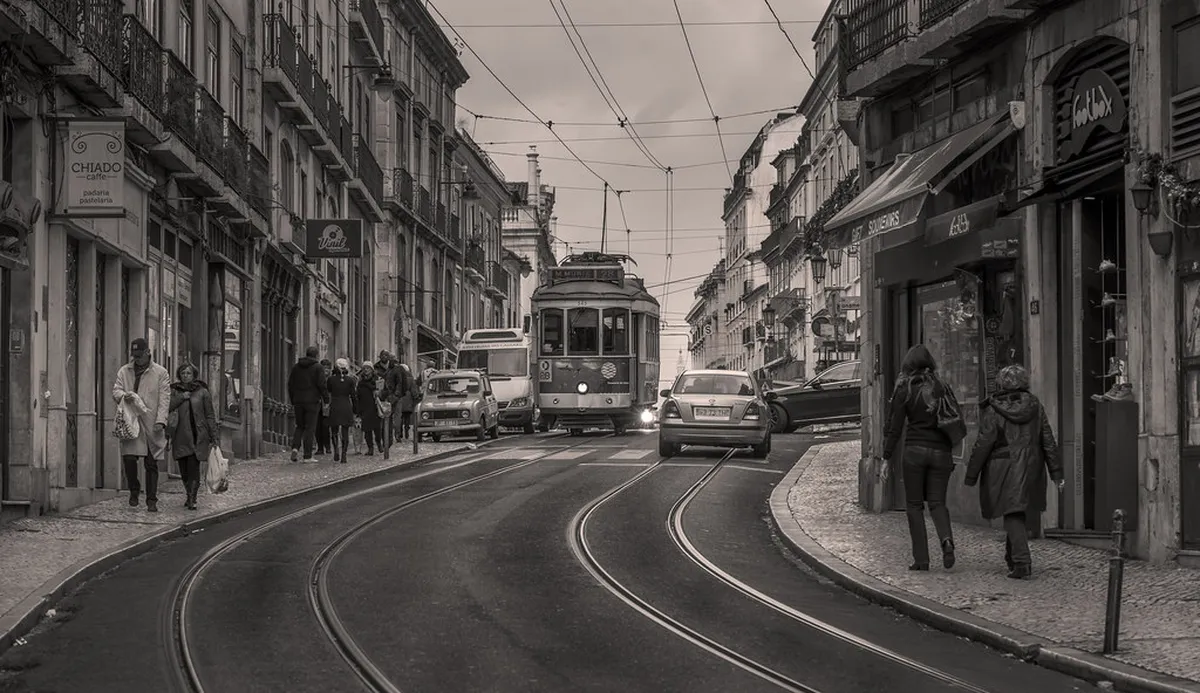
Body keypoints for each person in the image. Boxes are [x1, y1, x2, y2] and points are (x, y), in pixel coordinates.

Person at [965, 364, 1064, 580]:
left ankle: (1022, 562)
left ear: (1001, 383)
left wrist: (971, 474)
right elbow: (1047, 439)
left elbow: (983, 443)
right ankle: (1012, 559)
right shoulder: (1035, 405)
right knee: (1016, 510)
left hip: (1004, 466)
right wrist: (1056, 472)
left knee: (1011, 513)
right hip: (1030, 465)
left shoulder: (994, 409)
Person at [882, 344, 957, 571]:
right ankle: (946, 540)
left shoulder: (904, 389)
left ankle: (922, 560)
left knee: (914, 506)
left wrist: (886, 457)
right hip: (941, 452)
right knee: (937, 503)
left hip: (914, 451)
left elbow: (894, 428)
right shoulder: (942, 386)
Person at [111, 338, 171, 512]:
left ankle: (151, 499)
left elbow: (164, 399)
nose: (136, 359)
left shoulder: (160, 373)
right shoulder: (124, 371)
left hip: (151, 422)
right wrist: (123, 395)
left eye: (139, 355)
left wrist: (161, 420)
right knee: (129, 459)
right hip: (131, 421)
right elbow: (116, 390)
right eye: (134, 356)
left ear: (147, 353)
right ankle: (134, 490)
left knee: (151, 463)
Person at [166, 363, 219, 510]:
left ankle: (192, 497)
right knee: (183, 468)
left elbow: (209, 415)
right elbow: (167, 407)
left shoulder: (202, 392)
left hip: (198, 435)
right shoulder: (174, 391)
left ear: (194, 375)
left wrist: (214, 435)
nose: (185, 376)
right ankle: (188, 492)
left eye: (188, 373)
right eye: (183, 373)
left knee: (193, 467)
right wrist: (181, 398)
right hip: (180, 435)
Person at [287, 346, 328, 462]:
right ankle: (307, 455)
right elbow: (321, 384)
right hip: (312, 401)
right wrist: (326, 399)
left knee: (299, 426)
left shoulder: (296, 367)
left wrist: (293, 399)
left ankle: (295, 447)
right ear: (316, 355)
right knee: (310, 428)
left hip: (298, 401)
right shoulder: (318, 367)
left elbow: (290, 384)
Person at [326, 358, 358, 462]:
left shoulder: (330, 379)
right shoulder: (350, 380)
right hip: (346, 405)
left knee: (334, 431)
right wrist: (356, 410)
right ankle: (344, 454)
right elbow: (353, 396)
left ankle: (336, 450)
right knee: (345, 431)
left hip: (335, 405)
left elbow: (329, 391)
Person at [356, 360, 385, 455]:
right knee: (367, 430)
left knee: (377, 429)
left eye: (368, 368)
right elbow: (358, 396)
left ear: (372, 370)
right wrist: (358, 410)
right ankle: (370, 448)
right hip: (364, 407)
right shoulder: (360, 382)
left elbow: (384, 392)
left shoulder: (377, 380)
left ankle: (379, 444)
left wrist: (379, 393)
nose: (366, 370)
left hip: (375, 407)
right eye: (364, 368)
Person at [315, 358, 333, 456]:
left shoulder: (331, 379)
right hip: (318, 404)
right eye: (324, 368)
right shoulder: (317, 378)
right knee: (318, 427)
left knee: (326, 426)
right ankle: (320, 447)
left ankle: (328, 446)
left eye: (328, 368)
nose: (326, 370)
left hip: (327, 404)